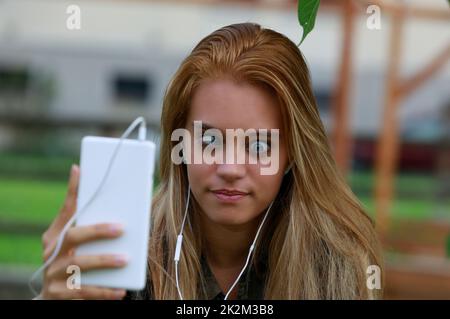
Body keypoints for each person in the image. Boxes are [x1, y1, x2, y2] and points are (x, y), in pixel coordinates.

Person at [38, 22, 383, 300]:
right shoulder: (125, 256)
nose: (231, 169)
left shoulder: (336, 264)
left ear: (292, 153)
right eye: (209, 141)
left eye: (259, 145)